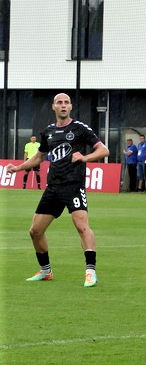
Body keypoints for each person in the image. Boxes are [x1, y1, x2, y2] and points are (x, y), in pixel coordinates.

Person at [1, 93, 110, 287]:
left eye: (66, 103)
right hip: (53, 188)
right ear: (53, 107)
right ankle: (46, 271)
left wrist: (84, 158)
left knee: (82, 226)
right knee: (35, 231)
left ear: (70, 107)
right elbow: (39, 157)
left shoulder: (80, 128)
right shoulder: (48, 132)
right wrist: (18, 168)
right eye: (59, 103)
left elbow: (103, 150)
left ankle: (90, 271)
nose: (63, 105)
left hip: (73, 186)